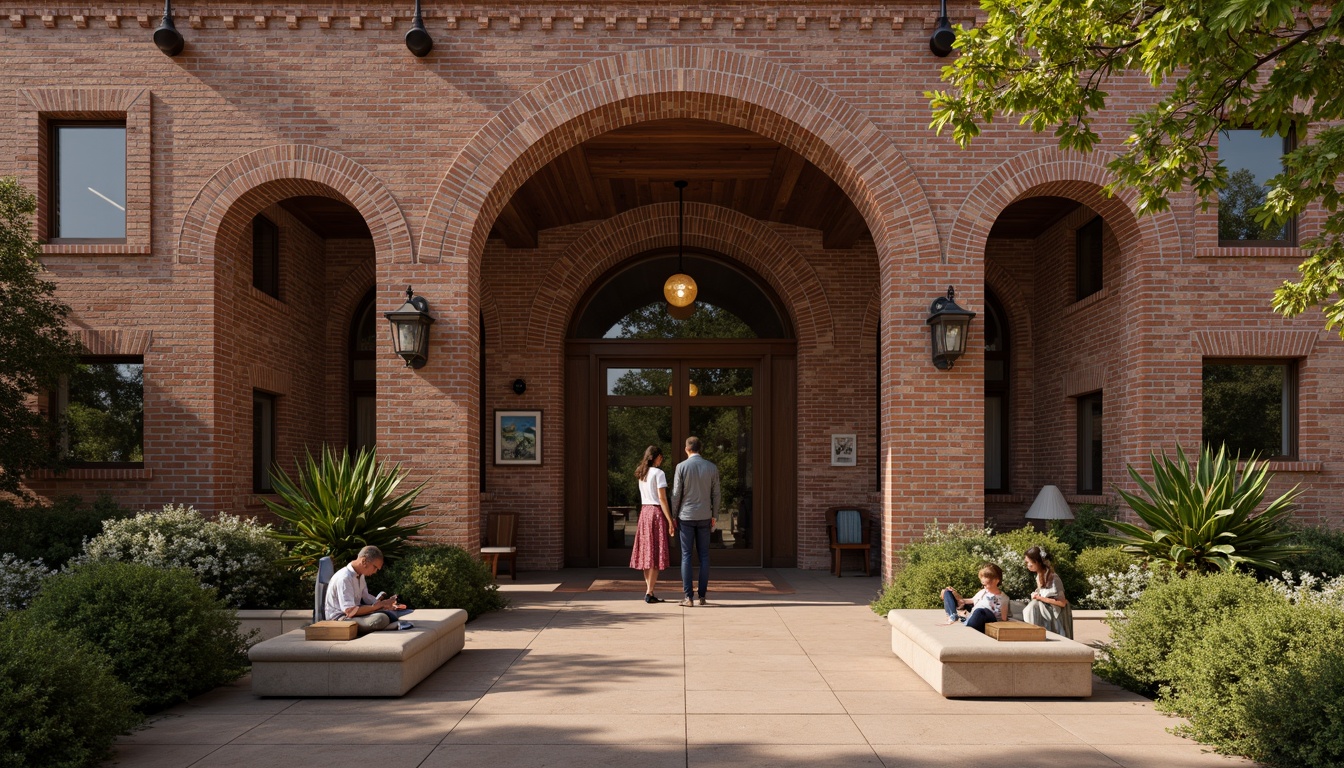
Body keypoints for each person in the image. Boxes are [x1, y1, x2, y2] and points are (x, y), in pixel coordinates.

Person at [671, 435, 720, 607]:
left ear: (686, 449)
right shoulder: (711, 467)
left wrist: (673, 515)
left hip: (686, 516)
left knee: (686, 555)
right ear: (701, 449)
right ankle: (703, 596)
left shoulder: (681, 467)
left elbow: (676, 493)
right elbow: (716, 494)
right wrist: (715, 515)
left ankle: (688, 597)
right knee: (704, 556)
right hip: (705, 516)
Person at [324, 545, 406, 634]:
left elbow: (366, 597)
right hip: (341, 619)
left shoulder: (360, 575)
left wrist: (385, 604)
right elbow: (350, 611)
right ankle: (390, 625)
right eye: (375, 567)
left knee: (389, 613)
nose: (375, 572)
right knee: (381, 619)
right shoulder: (344, 578)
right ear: (364, 561)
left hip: (354, 615)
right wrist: (378, 606)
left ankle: (390, 624)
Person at [630, 445, 676, 603]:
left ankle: (649, 591)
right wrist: (670, 520)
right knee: (655, 552)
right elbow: (662, 499)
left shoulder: (641, 472)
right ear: (655, 457)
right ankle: (649, 592)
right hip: (656, 513)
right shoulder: (659, 473)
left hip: (644, 512)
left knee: (646, 553)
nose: (661, 459)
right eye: (660, 457)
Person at [1021, 545, 1074, 638]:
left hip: (1054, 616)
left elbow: (1062, 603)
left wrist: (1039, 598)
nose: (1027, 565)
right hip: (1045, 612)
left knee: (1032, 608)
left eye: (1029, 563)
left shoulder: (1054, 578)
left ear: (1037, 562)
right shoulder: (1039, 576)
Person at [941, 562, 1009, 633]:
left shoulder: (1003, 598)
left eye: (986, 577)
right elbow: (966, 601)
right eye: (982, 577)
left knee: (980, 611)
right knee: (947, 591)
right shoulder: (983, 592)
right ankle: (953, 616)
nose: (983, 580)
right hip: (975, 617)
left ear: (996, 580)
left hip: (987, 620)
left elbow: (1003, 620)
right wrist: (954, 595)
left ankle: (966, 622)